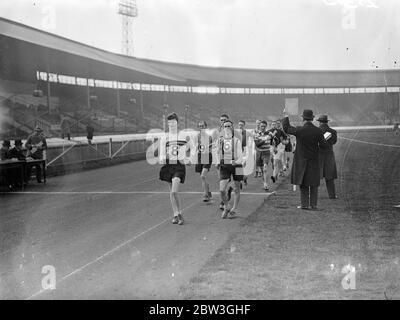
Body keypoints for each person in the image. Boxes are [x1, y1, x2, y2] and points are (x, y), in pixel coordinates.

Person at [282, 109, 327, 210]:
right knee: (314, 184)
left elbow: (286, 128)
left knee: (303, 183)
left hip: (301, 160)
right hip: (314, 160)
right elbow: (324, 145)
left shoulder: (299, 130)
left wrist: (286, 116)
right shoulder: (318, 130)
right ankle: (314, 205)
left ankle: (304, 204)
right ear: (312, 118)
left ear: (303, 118)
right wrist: (316, 150)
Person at [159, 113, 192, 225]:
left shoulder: (184, 136)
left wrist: (188, 159)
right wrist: (163, 158)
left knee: (174, 191)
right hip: (168, 165)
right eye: (169, 123)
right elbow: (162, 153)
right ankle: (175, 214)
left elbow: (193, 147)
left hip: (179, 165)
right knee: (171, 192)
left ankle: (179, 214)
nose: (171, 125)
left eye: (173, 122)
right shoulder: (165, 137)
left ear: (177, 122)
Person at [216, 120, 244, 219]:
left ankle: (234, 209)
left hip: (237, 165)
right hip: (225, 165)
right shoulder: (220, 140)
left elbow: (241, 155)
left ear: (232, 128)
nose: (227, 128)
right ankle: (227, 206)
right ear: (223, 128)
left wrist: (236, 162)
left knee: (237, 188)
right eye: (225, 126)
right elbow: (217, 152)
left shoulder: (237, 140)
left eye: (229, 126)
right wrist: (217, 162)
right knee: (222, 190)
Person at [317, 115, 338, 199]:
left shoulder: (317, 131)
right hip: (329, 156)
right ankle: (332, 195)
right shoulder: (333, 131)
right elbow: (334, 142)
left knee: (315, 176)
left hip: (318, 155)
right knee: (329, 177)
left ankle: (313, 194)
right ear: (327, 122)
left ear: (320, 122)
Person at [195, 120, 213, 202]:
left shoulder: (209, 137)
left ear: (205, 127)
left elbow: (211, 148)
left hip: (207, 156)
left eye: (202, 126)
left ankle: (205, 195)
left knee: (203, 176)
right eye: (200, 126)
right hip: (199, 157)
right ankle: (208, 191)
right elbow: (195, 148)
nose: (201, 127)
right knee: (203, 178)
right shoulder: (197, 136)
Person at [254, 120, 273, 191]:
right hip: (259, 153)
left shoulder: (269, 133)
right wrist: (265, 139)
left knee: (265, 169)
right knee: (262, 170)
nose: (262, 127)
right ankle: (264, 182)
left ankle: (266, 184)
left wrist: (274, 146)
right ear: (259, 126)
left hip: (266, 153)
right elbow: (258, 144)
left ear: (266, 126)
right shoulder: (256, 134)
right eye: (261, 126)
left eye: (264, 126)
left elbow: (272, 141)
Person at [237, 120, 248, 186]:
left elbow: (245, 143)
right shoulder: (236, 133)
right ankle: (240, 181)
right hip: (238, 152)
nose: (240, 126)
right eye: (239, 125)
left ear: (244, 125)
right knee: (238, 166)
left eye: (242, 125)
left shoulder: (246, 133)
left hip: (245, 152)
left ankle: (244, 178)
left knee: (243, 167)